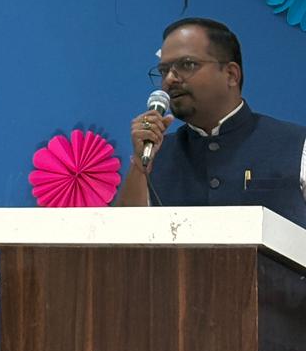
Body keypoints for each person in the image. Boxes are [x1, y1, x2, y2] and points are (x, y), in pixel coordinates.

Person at [114, 16, 306, 225]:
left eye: (187, 64)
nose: (169, 79)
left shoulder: (296, 145)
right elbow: (124, 235)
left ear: (231, 75)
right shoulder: (155, 155)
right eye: (164, 70)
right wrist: (140, 165)